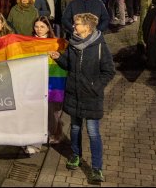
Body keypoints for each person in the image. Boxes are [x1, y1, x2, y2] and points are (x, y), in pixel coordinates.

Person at [49, 13, 115, 183]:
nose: (74, 26)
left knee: (93, 132)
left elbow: (109, 71)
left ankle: (96, 168)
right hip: (73, 93)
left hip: (91, 96)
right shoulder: (73, 43)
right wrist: (59, 58)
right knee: (75, 128)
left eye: (77, 24)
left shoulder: (100, 46)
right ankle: (75, 155)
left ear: (87, 27)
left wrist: (96, 86)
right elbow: (69, 65)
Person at [33, 16, 65, 145]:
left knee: (52, 111)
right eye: (36, 27)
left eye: (42, 27)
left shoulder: (56, 43)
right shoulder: (27, 43)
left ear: (48, 28)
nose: (39, 29)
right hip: (34, 81)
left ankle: (56, 133)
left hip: (52, 82)